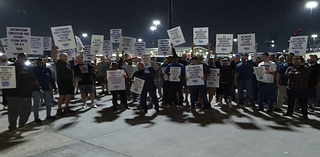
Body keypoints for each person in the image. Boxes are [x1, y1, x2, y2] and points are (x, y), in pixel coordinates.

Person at [3, 53, 40, 135]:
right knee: (13, 112)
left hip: (26, 93)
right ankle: (12, 128)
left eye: (26, 57)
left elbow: (34, 79)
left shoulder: (28, 68)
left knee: (26, 111)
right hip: (14, 94)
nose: (25, 59)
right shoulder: (10, 67)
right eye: (23, 57)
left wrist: (38, 87)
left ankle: (21, 125)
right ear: (18, 58)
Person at [52, 46, 84, 115]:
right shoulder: (58, 62)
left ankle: (67, 107)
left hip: (69, 80)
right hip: (62, 80)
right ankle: (59, 109)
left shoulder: (69, 62)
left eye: (66, 56)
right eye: (64, 56)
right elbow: (54, 58)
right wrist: (56, 51)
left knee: (70, 94)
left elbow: (78, 60)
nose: (66, 57)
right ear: (60, 57)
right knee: (62, 95)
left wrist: (82, 52)